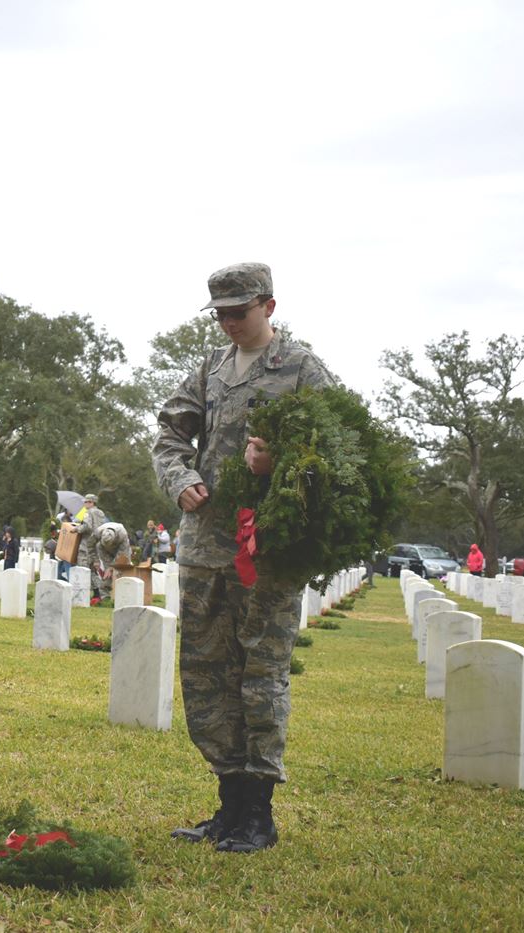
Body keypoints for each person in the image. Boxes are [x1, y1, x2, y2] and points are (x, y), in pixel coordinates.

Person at [152, 262, 335, 854]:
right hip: (205, 547)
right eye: (221, 314)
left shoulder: (304, 370)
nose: (229, 323)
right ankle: (228, 804)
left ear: (269, 307)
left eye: (240, 311)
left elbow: (339, 456)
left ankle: (259, 813)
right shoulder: (210, 367)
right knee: (207, 678)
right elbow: (170, 434)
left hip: (268, 555)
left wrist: (279, 462)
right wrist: (179, 477)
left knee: (260, 676)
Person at [75, 493, 107, 598]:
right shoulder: (101, 513)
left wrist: (76, 529)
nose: (84, 504)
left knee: (84, 569)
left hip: (86, 545)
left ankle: (85, 594)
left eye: (86, 502)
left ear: (91, 502)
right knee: (93, 570)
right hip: (97, 544)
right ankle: (99, 594)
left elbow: (87, 527)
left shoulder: (88, 513)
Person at [94, 522, 132, 588]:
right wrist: (97, 560)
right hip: (104, 550)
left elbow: (122, 554)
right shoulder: (98, 532)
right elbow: (92, 546)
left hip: (121, 550)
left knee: (122, 568)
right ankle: (107, 590)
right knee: (107, 571)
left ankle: (124, 588)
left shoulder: (122, 534)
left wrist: (112, 567)